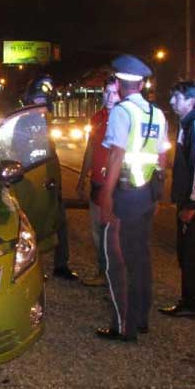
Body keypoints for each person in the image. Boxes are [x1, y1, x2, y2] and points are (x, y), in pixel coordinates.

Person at [96, 55, 169, 342]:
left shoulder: (122, 112)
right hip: (147, 194)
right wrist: (157, 194)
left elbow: (116, 155)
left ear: (120, 82)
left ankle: (123, 327)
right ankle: (141, 319)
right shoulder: (157, 113)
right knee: (140, 258)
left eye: (114, 80)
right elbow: (163, 156)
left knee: (117, 260)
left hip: (124, 194)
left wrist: (106, 195)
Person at [158, 80, 195, 319]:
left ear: (191, 101)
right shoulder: (187, 124)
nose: (172, 101)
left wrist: (192, 204)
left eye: (177, 98)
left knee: (192, 252)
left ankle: (191, 303)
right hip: (192, 200)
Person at [22, 75, 78, 280]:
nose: (42, 106)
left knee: (60, 223)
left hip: (50, 182)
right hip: (31, 183)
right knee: (32, 227)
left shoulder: (48, 122)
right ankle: (32, 270)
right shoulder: (22, 123)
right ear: (29, 100)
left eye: (45, 101)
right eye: (39, 100)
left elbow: (51, 154)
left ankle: (61, 265)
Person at [76, 76, 120, 286]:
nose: (110, 97)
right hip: (96, 184)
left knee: (110, 233)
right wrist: (81, 178)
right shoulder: (97, 118)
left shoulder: (126, 119)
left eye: (115, 92)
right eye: (107, 92)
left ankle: (112, 276)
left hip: (114, 187)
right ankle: (103, 271)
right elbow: (90, 149)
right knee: (96, 231)